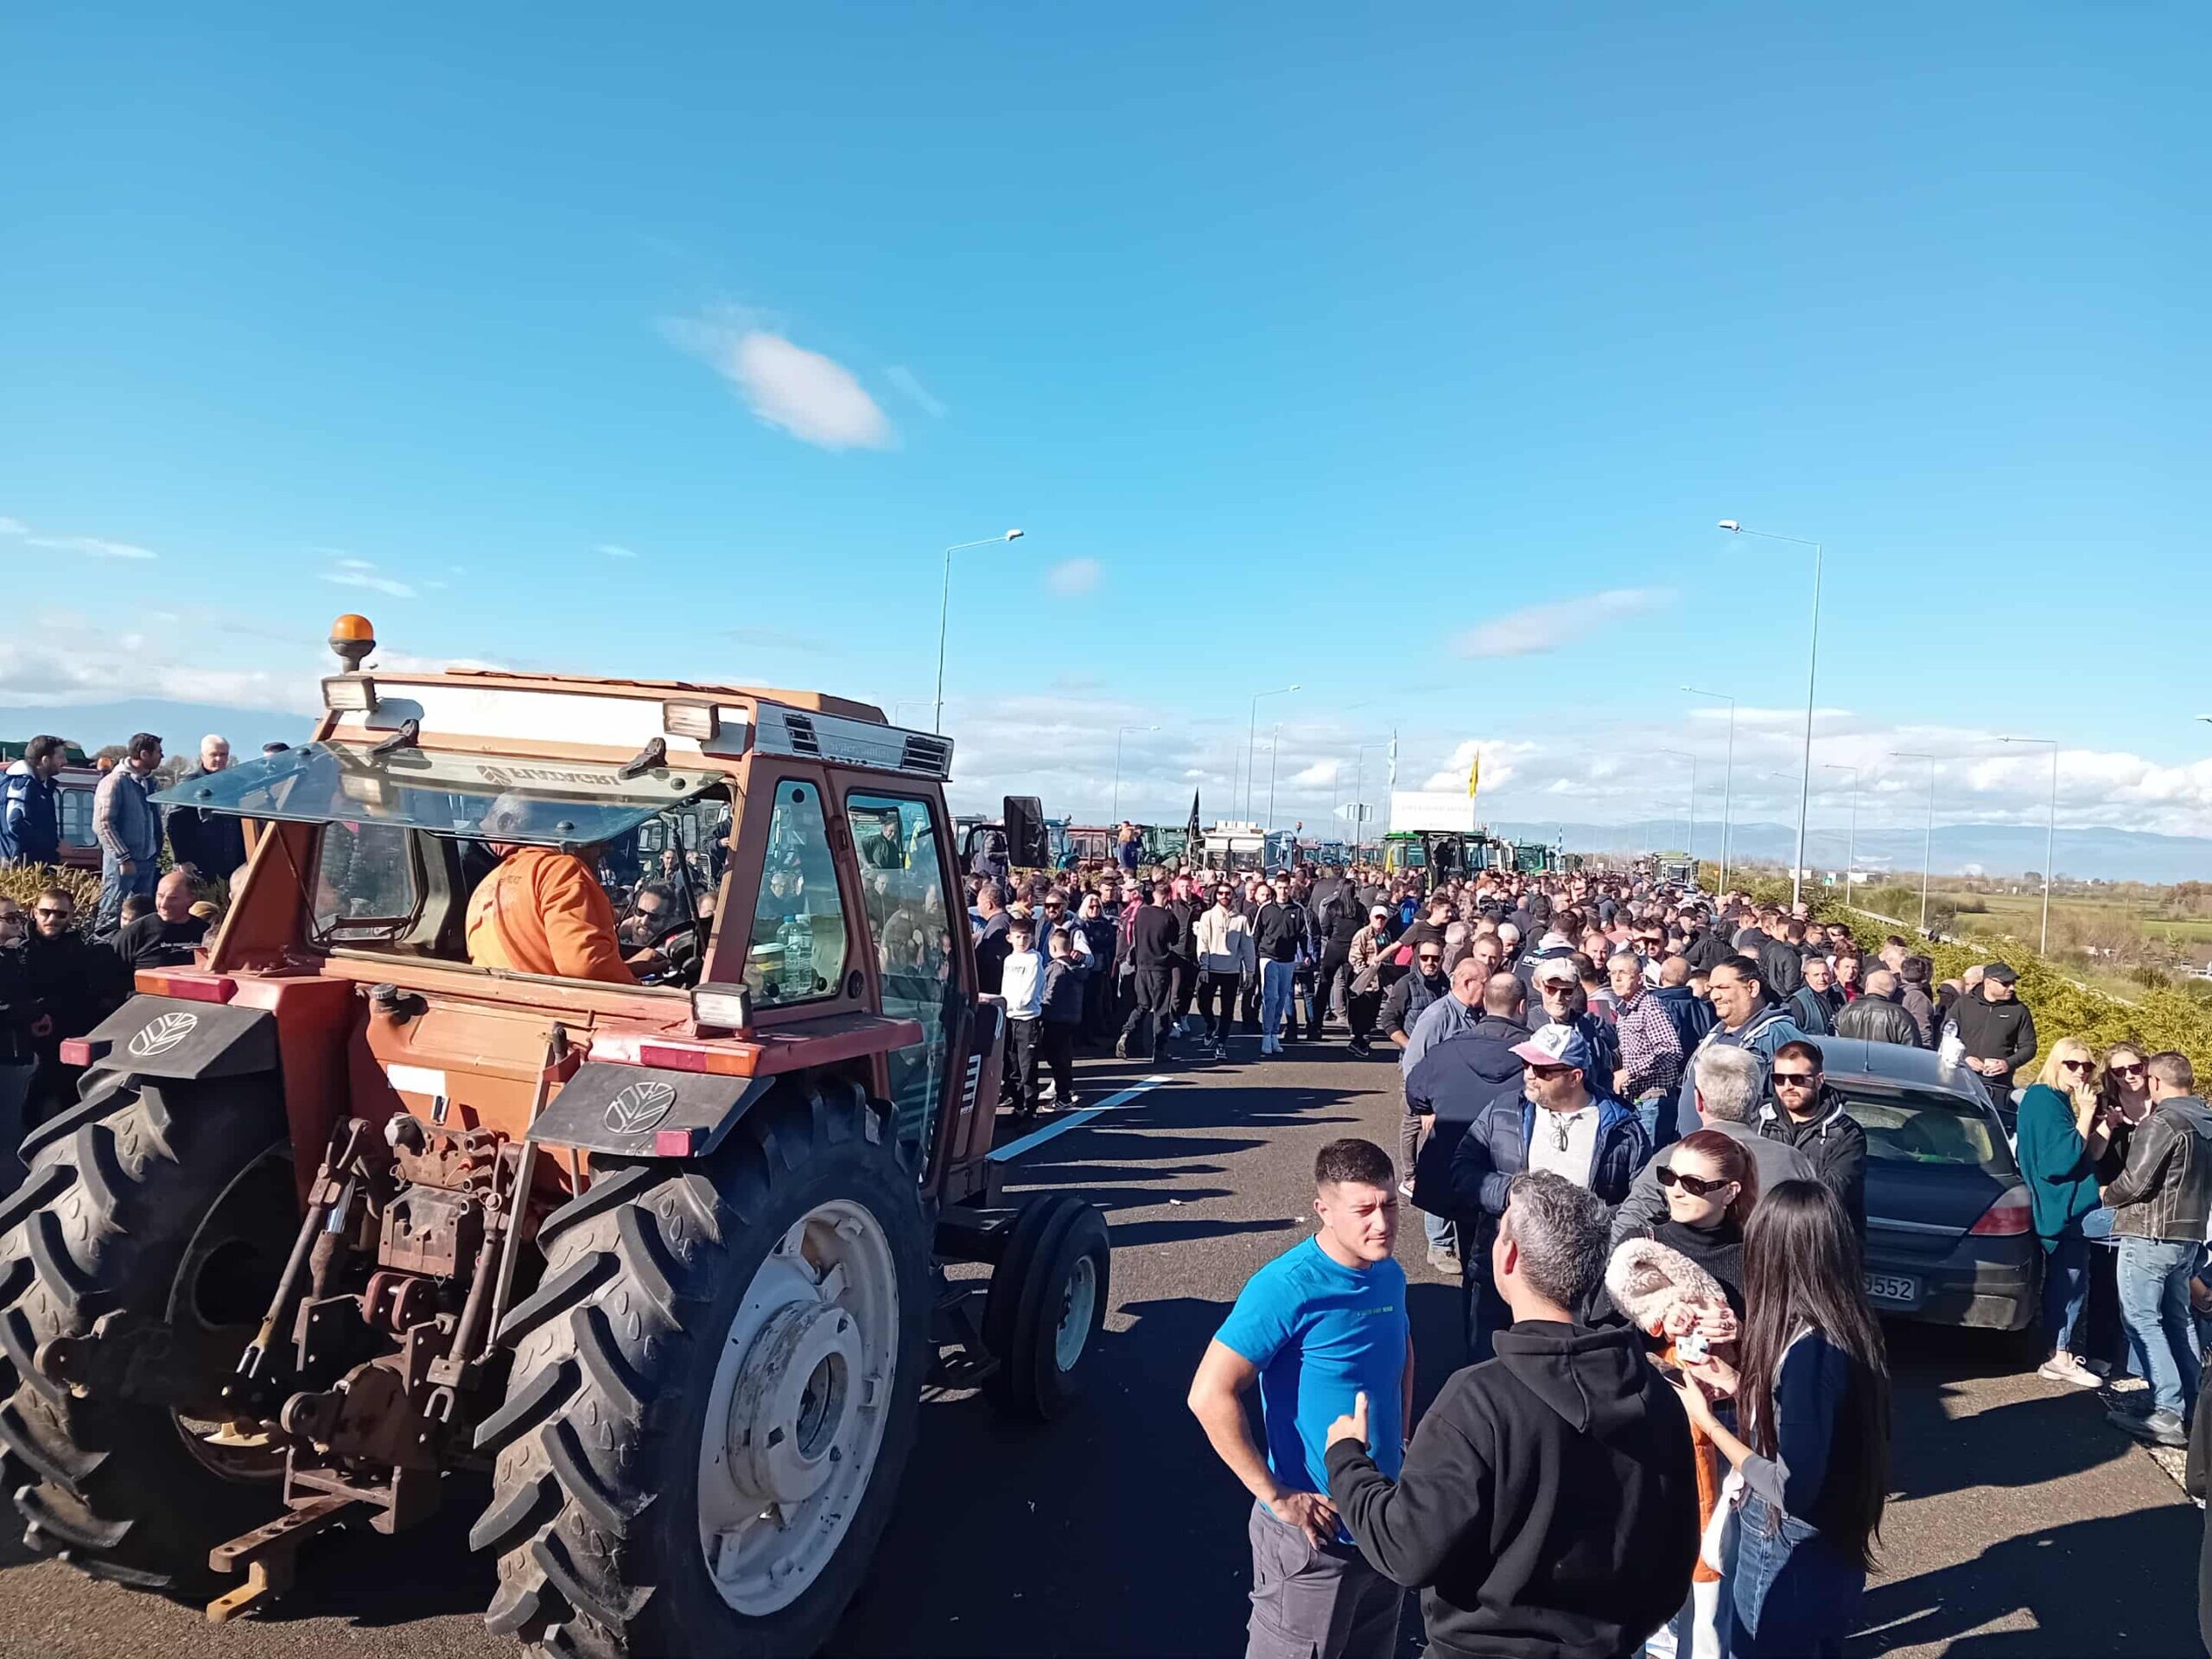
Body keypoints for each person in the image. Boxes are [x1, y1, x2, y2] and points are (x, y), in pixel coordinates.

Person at [1323, 1173, 1697, 1659]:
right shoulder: (1655, 1395)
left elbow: (1405, 1550)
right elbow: (1674, 1565)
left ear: (1509, 1256)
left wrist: (1347, 1461)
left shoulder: (1478, 1401)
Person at [1189, 1140, 1412, 1659]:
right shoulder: (1287, 1287)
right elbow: (1209, 1393)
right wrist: (1276, 1496)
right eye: (1363, 1210)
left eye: (1389, 1205)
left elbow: (1402, 1351)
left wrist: (1401, 1438)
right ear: (1324, 1210)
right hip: (1316, 1540)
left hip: (1382, 1522)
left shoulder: (1390, 1273)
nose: (1381, 1223)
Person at [1669, 1180, 1891, 1659]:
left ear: (1774, 1257)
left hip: (1785, 1543)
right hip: (1834, 1540)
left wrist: (1709, 1423)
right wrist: (1739, 1383)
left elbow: (1791, 1487)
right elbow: (1813, 1419)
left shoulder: (1810, 1354)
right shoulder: (1849, 1324)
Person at [1449, 1022, 1649, 1361]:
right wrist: (1510, 1193)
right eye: (1526, 1064)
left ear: (1574, 1076)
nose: (1529, 1075)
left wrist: (1595, 1222)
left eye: (1542, 1069)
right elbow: (1462, 1170)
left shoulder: (1622, 1128)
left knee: (1567, 1368)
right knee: (1489, 1365)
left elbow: (1641, 1200)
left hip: (1582, 1284)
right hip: (1506, 1272)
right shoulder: (1502, 1111)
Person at [2100, 1052, 2212, 1447]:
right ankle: (2192, 1406)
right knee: (2178, 1321)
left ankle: (2167, 1410)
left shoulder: (2163, 1122)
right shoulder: (2206, 1122)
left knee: (2142, 1320)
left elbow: (2135, 1181)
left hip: (2150, 1233)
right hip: (2188, 1236)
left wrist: (2106, 1193)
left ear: (2157, 1082)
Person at [1612, 1046, 1820, 1245]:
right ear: (1757, 1103)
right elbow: (1816, 1235)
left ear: (1698, 1100)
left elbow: (1624, 1234)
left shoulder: (1671, 1159)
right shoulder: (1792, 1161)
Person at [1407, 972, 1531, 1277]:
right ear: (1522, 1006)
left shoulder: (1447, 1051)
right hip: (1514, 1177)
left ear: (1485, 1004)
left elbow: (1415, 1091)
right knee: (1518, 1269)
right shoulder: (1538, 1059)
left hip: (1457, 1170)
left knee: (1471, 1261)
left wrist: (1431, 1108)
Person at [2013, 1039, 2111, 1389]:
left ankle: (2061, 1352)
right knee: (2068, 1283)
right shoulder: (2044, 1100)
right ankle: (2060, 1356)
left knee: (2069, 1280)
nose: (2081, 1072)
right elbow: (2060, 1161)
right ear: (2056, 1063)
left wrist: (2105, 1123)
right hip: (2064, 1208)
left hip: (2068, 1206)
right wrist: (2085, 1114)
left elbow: (2087, 1153)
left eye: (2087, 1066)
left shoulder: (2056, 1100)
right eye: (2073, 1064)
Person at [465, 805, 653, 984]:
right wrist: (636, 985)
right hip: (550, 1005)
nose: (605, 849)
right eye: (595, 838)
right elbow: (586, 966)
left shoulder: (491, 880)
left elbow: (533, 960)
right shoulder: (562, 871)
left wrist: (627, 969)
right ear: (567, 833)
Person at [1671, 957, 1805, 1142]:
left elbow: (1800, 1104)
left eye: (1722, 987)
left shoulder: (1780, 1037)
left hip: (1741, 1153)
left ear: (1752, 988)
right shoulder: (1715, 1033)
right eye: (1712, 988)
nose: (1714, 996)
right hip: (1695, 1149)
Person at [1755, 1040, 1868, 1236]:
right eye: (1779, 1078)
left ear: (1819, 1080)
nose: (1787, 1086)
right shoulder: (1759, 1123)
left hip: (1821, 1243)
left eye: (1797, 1079)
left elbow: (1830, 1196)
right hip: (1767, 1239)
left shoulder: (1846, 1133)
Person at [1610, 950, 1686, 1148]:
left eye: (1623, 973)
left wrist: (1629, 1072)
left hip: (1654, 1100)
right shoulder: (1624, 1010)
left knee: (1649, 1160)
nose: (1616, 979)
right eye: (1613, 973)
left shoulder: (1650, 1006)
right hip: (1636, 1101)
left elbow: (1671, 1050)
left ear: (1640, 978)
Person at [91, 731, 163, 936]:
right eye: (158, 752)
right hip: (123, 864)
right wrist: (123, 857)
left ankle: (138, 948)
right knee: (111, 912)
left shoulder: (150, 783)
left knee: (142, 916)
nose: (162, 756)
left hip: (147, 860)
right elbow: (103, 824)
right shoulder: (115, 782)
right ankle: (103, 947)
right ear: (144, 754)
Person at [1944, 962, 2037, 1116]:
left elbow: (2029, 1047)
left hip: (1997, 1087)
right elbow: (1947, 1036)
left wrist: (2007, 1064)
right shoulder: (1964, 1004)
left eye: (2013, 983)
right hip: (1960, 1079)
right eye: (2005, 984)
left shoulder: (2019, 1010)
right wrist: (1964, 1057)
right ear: (1988, 982)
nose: (2011, 988)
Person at [0, 897, 41, 1190]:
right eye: (10, 918)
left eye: (19, 916)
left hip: (18, 1052)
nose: (18, 922)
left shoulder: (13, 955)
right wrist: (29, 1012)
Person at [163, 734, 246, 880]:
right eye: (213, 754)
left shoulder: (236, 783)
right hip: (202, 863)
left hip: (235, 862)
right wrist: (182, 859)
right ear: (202, 756)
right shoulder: (189, 785)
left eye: (223, 754)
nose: (219, 759)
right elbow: (174, 823)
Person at [1116, 880, 1180, 1063]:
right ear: (1168, 896)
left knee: (1142, 1005)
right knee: (1161, 1010)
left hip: (1141, 966)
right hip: (1160, 967)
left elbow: (1135, 936)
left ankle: (1126, 1033)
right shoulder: (1169, 917)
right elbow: (1174, 940)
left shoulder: (1141, 914)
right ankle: (1159, 1049)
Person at [1194, 881, 1256, 1054]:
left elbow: (1247, 947)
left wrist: (1250, 971)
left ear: (1233, 895)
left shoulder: (1241, 920)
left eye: (1228, 893)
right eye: (1220, 893)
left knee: (1227, 1010)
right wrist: (1204, 967)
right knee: (1203, 1003)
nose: (1224, 896)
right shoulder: (1207, 916)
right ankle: (1210, 1024)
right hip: (1210, 969)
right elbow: (1203, 942)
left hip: (1232, 971)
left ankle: (1221, 1043)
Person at [1251, 880, 1307, 1056]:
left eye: (1286, 888)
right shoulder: (1265, 908)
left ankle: (1274, 1034)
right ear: (1275, 888)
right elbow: (1256, 934)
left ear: (1290, 889)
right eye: (1280, 888)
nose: (1283, 891)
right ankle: (1266, 1036)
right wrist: (1252, 958)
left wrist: (1306, 954)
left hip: (1288, 959)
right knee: (1270, 997)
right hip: (1268, 957)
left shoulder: (1298, 909)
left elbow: (1303, 934)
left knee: (1282, 998)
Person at [115, 868, 211, 969]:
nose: (164, 904)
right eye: (160, 896)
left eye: (172, 898)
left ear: (191, 899)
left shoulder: (205, 931)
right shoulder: (134, 933)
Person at [999, 918, 1045, 1118]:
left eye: (1026, 937)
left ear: (1032, 938)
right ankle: (1017, 1108)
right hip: (1010, 1018)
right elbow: (1006, 986)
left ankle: (1030, 1110)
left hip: (1027, 1020)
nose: (1021, 941)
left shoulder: (1033, 959)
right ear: (1009, 938)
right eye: (1018, 937)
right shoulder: (1009, 960)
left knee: (1028, 1068)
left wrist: (1016, 1004)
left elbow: (1029, 989)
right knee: (1012, 1067)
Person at [0, 734, 67, 867]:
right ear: (45, 760)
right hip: (21, 866)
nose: (65, 761)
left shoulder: (39, 787)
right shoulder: (22, 786)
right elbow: (14, 825)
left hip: (31, 865)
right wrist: (54, 844)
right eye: (60, 757)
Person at [1379, 941, 1450, 1059]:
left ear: (1442, 959)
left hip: (1442, 1056)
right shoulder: (1406, 984)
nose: (1430, 962)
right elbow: (1388, 1019)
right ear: (1418, 958)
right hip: (1414, 1059)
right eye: (1425, 958)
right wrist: (1410, 1047)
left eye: (1435, 958)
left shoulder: (1449, 986)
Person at [1831, 967, 1923, 1047]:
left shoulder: (1846, 1010)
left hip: (1850, 1061)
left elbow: (1836, 1043)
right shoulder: (1900, 1015)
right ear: (1893, 990)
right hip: (1887, 1061)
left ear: (1867, 985)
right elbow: (1912, 1051)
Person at [1789, 956, 1838, 1037]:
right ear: (1807, 977)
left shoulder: (1837, 996)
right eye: (1816, 975)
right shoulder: (1798, 1002)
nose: (1822, 979)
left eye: (1825, 974)